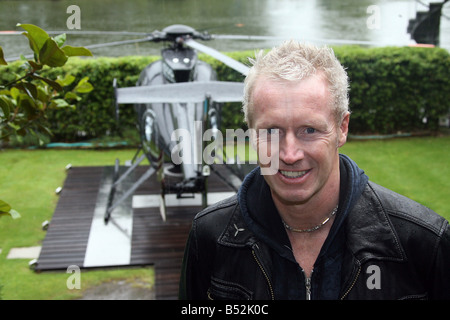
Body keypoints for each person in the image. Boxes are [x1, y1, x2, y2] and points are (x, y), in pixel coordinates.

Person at [178, 41, 450, 300]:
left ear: (342, 128)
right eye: (271, 131)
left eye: (309, 130)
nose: (289, 154)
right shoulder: (211, 236)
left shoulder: (423, 243)